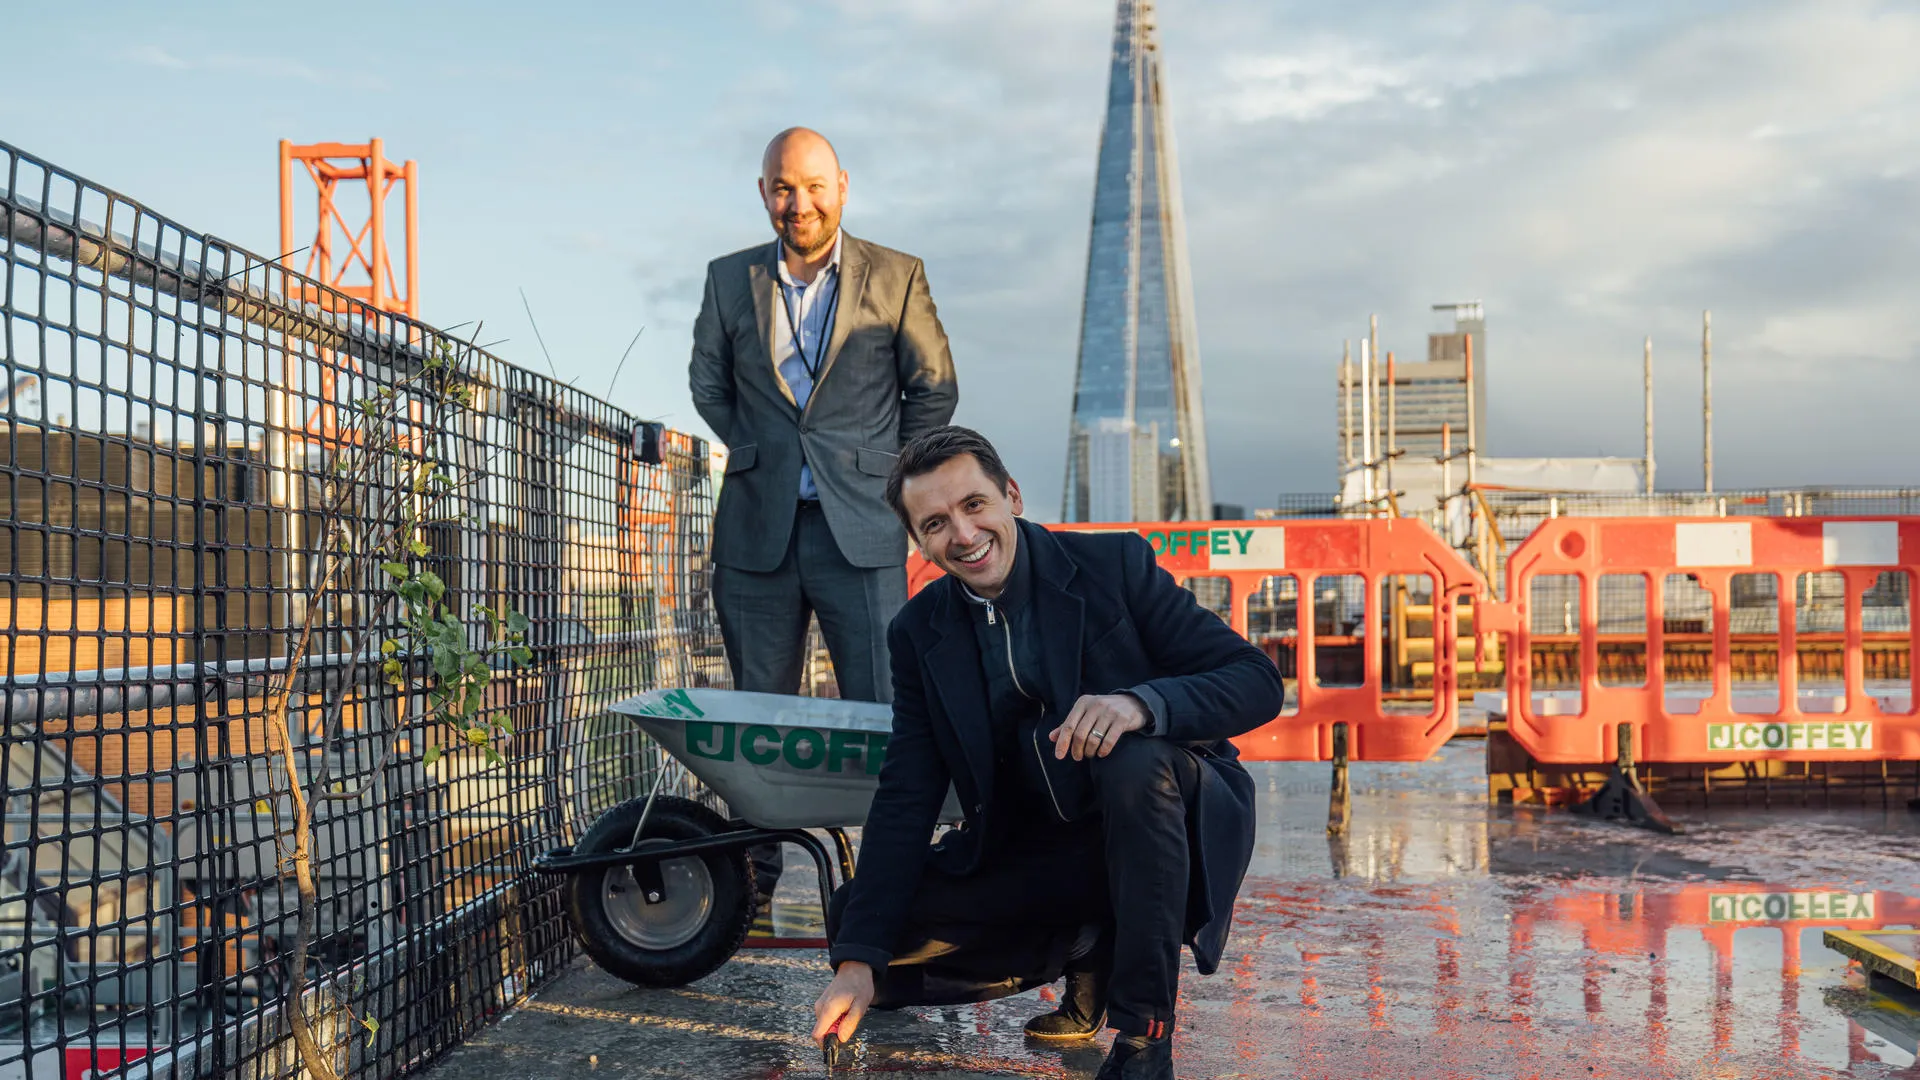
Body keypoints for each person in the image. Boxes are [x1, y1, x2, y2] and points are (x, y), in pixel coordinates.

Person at [810, 427, 1284, 1080]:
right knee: (854, 924)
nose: (965, 535)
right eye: (937, 523)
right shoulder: (919, 632)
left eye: (975, 505)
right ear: (919, 541)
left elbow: (1255, 679)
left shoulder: (1113, 567)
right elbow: (907, 793)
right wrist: (859, 964)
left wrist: (1141, 704)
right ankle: (1089, 944)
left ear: (1012, 496)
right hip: (1040, 850)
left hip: (1161, 822)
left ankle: (1144, 1038)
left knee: (1133, 760)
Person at [689, 128, 958, 904]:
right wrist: (757, 448)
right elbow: (708, 381)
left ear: (842, 185)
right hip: (755, 531)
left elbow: (933, 388)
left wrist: (897, 477)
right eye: (781, 187)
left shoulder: (897, 276)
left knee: (885, 713)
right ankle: (752, 886)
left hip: (865, 526)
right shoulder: (728, 277)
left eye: (811, 186)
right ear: (763, 190)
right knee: (752, 722)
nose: (796, 202)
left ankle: (895, 885)